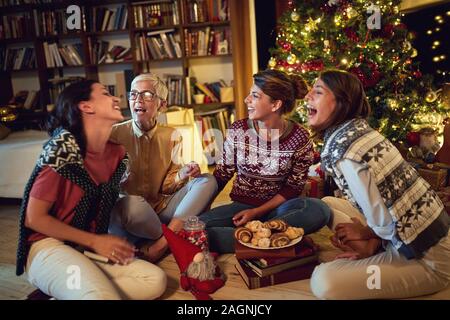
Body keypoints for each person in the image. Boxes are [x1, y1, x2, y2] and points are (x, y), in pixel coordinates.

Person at [16, 80, 167, 300]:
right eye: (106, 94)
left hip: (82, 250)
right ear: (86, 106)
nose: (117, 99)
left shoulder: (117, 154)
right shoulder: (62, 148)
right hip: (47, 247)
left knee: (155, 280)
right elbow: (34, 218)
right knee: (100, 296)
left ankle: (63, 294)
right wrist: (95, 241)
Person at [306, 69, 450, 299]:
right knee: (330, 203)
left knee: (324, 282)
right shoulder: (358, 131)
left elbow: (384, 223)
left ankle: (372, 250)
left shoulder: (346, 153)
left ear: (342, 101)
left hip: (428, 259)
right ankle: (373, 247)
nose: (307, 96)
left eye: (318, 91)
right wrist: (369, 235)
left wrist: (366, 232)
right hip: (415, 231)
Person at [199, 69, 331, 253]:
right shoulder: (239, 130)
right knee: (198, 227)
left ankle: (252, 238)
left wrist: (257, 213)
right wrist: (204, 209)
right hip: (241, 208)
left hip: (280, 210)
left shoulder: (300, 137)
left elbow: (293, 188)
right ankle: (283, 238)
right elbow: (222, 175)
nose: (247, 100)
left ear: (275, 104)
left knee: (319, 209)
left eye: (254, 96)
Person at [109, 73, 218, 262]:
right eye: (133, 94)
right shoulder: (114, 134)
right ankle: (172, 236)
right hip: (133, 214)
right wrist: (116, 180)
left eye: (146, 95)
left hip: (161, 209)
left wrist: (182, 174)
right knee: (131, 204)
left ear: (162, 104)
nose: (138, 100)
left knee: (207, 180)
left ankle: (161, 244)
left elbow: (167, 187)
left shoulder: (172, 135)